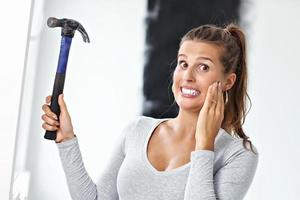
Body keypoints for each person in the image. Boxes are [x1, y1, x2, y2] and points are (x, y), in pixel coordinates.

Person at [41, 23, 258, 200]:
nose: (188, 76)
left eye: (203, 67)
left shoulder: (238, 155)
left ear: (228, 82)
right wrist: (66, 139)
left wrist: (204, 146)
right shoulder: (137, 130)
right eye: (183, 63)